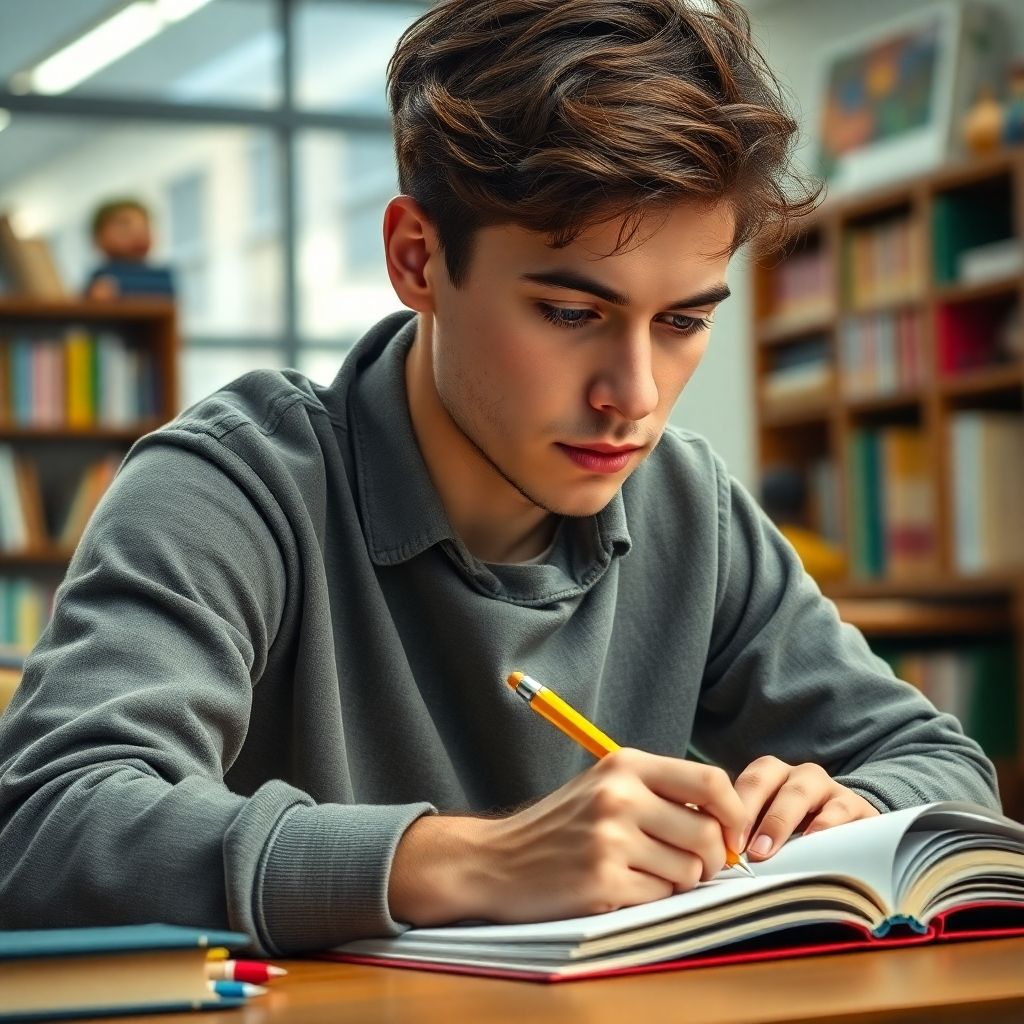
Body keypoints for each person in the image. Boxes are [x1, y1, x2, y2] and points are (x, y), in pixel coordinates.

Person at [0, 0, 998, 955]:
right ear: (416, 258)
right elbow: (44, 827)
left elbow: (949, 769)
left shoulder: (687, 505)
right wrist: (463, 860)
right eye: (571, 312)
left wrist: (853, 809)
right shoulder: (231, 487)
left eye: (684, 320)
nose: (635, 395)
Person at [84, 198, 175, 299]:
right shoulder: (101, 278)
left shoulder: (161, 276)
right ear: (99, 237)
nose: (137, 232)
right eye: (124, 225)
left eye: (144, 226)